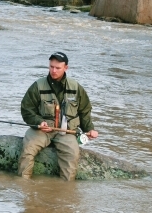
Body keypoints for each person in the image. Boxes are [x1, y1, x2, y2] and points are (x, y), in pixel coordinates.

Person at [18, 52, 98, 181]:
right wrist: (39, 122)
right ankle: (23, 183)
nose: (53, 71)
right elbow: (27, 109)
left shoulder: (76, 88)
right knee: (28, 150)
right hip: (42, 130)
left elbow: (84, 111)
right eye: (51, 67)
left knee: (72, 154)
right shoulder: (37, 86)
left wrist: (89, 129)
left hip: (66, 132)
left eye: (57, 68)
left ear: (66, 68)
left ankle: (65, 191)